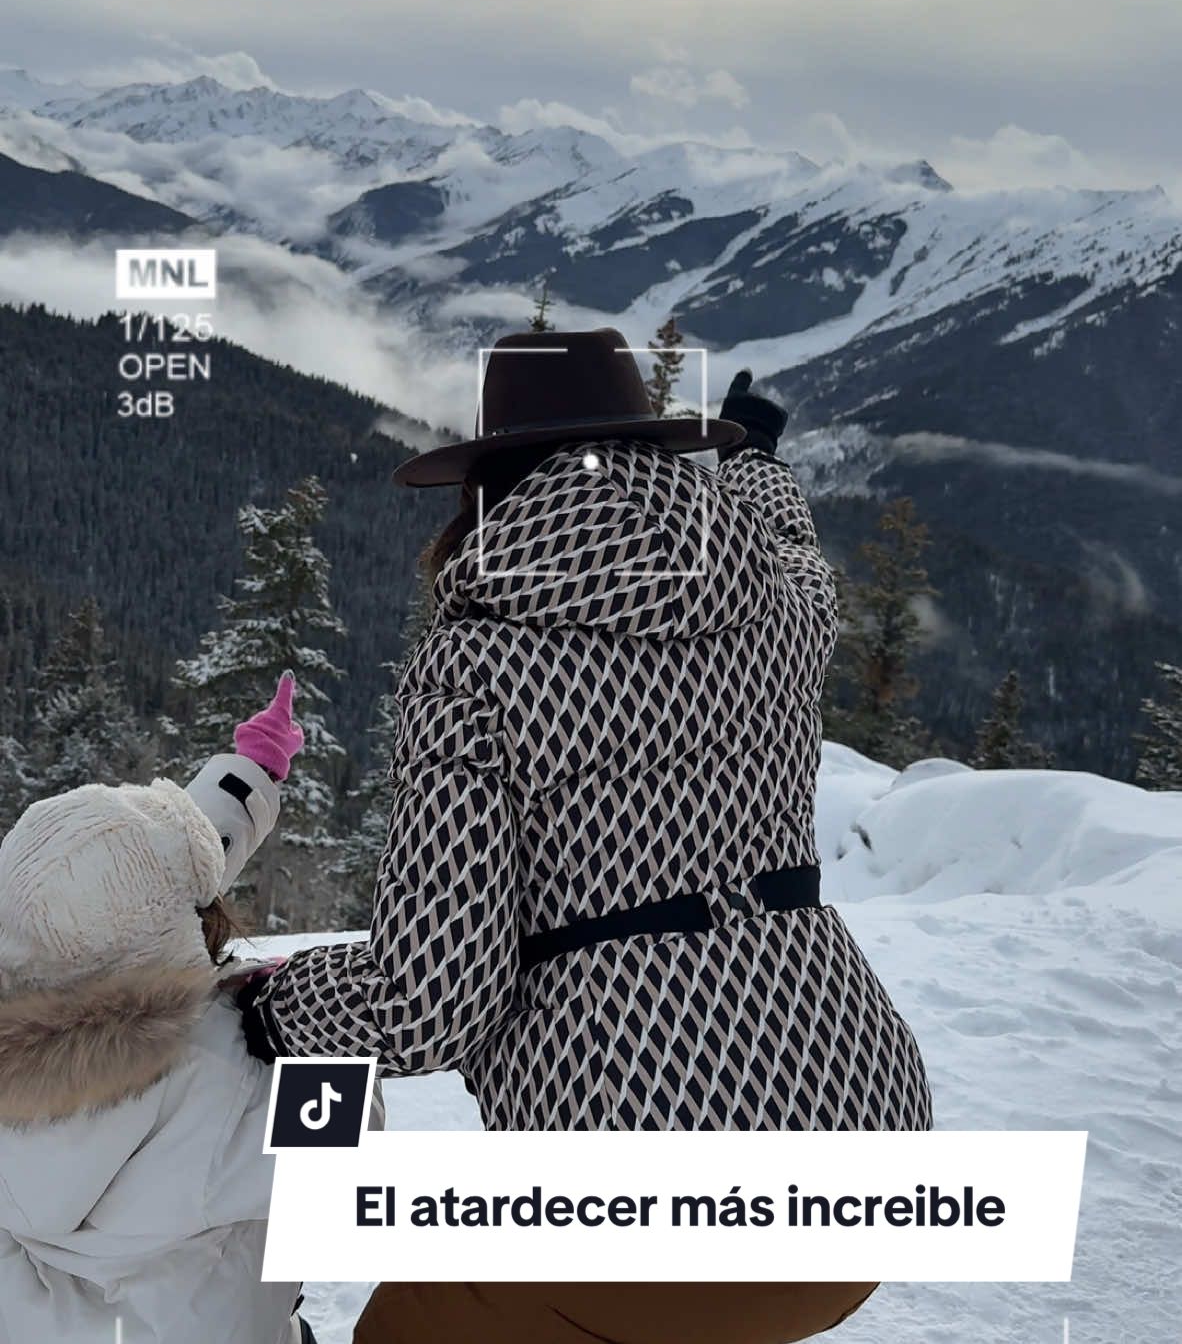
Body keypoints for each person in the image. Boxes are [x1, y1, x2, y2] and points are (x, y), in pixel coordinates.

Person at [239, 329, 933, 1344]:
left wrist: (277, 1010)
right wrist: (754, 456)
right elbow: (790, 537)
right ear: (656, 453)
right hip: (876, 1161)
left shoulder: (476, 665)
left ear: (490, 482)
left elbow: (431, 1000)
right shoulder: (784, 604)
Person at [0, 674, 315, 1344]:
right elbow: (339, 1147)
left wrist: (252, 770)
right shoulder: (220, 1087)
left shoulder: (40, 948)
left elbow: (129, 886)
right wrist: (302, 1021)